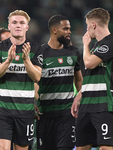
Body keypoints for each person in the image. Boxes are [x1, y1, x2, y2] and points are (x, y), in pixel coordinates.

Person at [0, 10, 43, 150]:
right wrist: (8, 61)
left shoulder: (36, 48)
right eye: (14, 22)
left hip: (25, 111)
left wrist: (27, 61)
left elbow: (37, 77)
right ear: (9, 26)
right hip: (2, 110)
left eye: (21, 23)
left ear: (27, 27)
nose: (18, 26)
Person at [36, 14, 83, 150]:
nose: (69, 32)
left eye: (69, 29)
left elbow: (78, 79)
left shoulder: (73, 52)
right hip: (45, 114)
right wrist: (33, 101)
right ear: (54, 30)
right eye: (65, 29)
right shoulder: (40, 52)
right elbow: (33, 81)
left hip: (66, 114)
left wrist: (79, 97)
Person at [74, 8, 113, 150]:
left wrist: (85, 44)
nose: (87, 30)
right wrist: (80, 95)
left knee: (105, 147)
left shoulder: (110, 42)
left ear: (93, 25)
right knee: (82, 147)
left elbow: (89, 63)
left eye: (87, 26)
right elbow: (92, 75)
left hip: (104, 105)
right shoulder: (97, 46)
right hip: (87, 106)